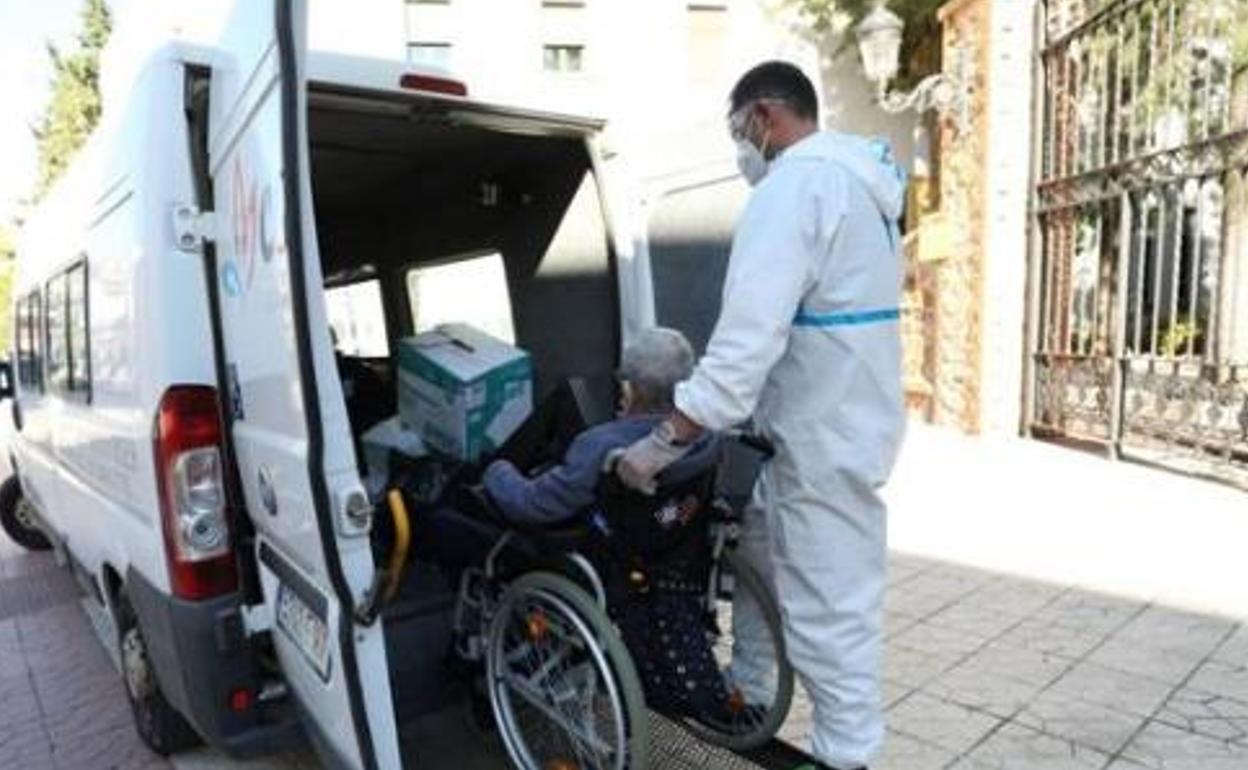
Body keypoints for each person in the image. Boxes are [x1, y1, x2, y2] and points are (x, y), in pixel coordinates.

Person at [616, 61, 906, 770]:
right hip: (832, 424)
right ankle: (744, 697)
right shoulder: (857, 186)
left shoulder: (796, 187)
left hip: (822, 437)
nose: (740, 148)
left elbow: (746, 342)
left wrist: (662, 441)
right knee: (757, 555)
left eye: (738, 130)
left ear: (765, 117)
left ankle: (845, 759)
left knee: (829, 609)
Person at [482, 328, 735, 722]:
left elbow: (532, 506)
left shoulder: (602, 445)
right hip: (677, 556)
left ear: (630, 389)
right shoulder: (705, 437)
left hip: (609, 569)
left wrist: (496, 471)